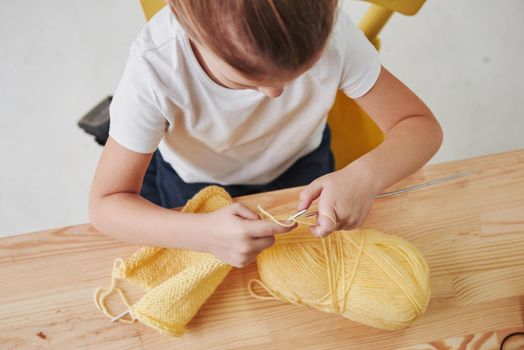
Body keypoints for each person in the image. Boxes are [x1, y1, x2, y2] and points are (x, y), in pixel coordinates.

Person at [89, 0, 443, 268]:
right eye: (246, 82)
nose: (276, 95)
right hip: (195, 184)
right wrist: (201, 234)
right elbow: (105, 205)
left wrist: (365, 176)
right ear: (187, 23)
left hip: (302, 166)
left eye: (298, 73)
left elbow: (421, 127)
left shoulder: (334, 31)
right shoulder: (156, 68)